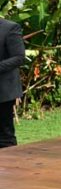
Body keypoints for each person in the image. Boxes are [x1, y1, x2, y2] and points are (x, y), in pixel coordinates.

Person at [0, 17, 27, 148]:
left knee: (5, 136)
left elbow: (19, 57)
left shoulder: (9, 27)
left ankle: (10, 161)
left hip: (3, 92)